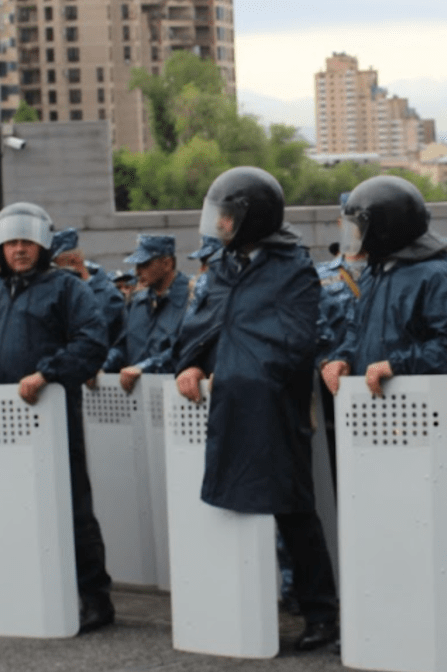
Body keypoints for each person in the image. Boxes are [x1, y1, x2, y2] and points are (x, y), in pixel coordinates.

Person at [171, 166, 339, 652]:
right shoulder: (222, 266)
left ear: (250, 219)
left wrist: (247, 372)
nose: (218, 224)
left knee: (293, 510)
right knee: (231, 513)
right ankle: (239, 609)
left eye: (226, 216)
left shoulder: (292, 269)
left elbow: (295, 339)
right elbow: (201, 325)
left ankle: (320, 613)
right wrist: (193, 364)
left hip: (276, 408)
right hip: (227, 407)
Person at [0, 204, 115, 634]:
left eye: (26, 242)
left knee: (71, 505)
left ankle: (93, 597)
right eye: (11, 243)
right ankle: (21, 588)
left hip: (51, 416)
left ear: (42, 245)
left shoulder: (66, 289)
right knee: (9, 504)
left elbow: (92, 341)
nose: (19, 250)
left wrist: (48, 373)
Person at [321, 174, 447, 404]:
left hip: (428, 413)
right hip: (382, 411)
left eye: (359, 228)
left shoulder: (436, 276)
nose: (355, 237)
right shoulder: (375, 273)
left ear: (383, 228)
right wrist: (343, 358)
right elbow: (358, 330)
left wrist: (398, 365)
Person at [106, 234, 189, 390]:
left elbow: (186, 350)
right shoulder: (137, 301)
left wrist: (145, 368)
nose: (137, 272)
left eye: (144, 264)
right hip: (137, 396)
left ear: (166, 264)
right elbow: (123, 345)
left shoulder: (190, 300)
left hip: (175, 397)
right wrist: (104, 365)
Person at [51, 228, 127, 344]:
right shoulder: (61, 294)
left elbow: (120, 343)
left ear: (73, 261)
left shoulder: (108, 296)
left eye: (57, 267)